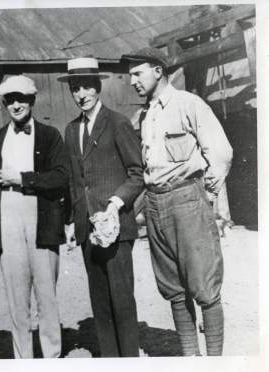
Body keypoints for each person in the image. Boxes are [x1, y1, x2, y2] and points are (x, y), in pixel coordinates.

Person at [121, 47, 233, 356]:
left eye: (137, 73)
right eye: (130, 75)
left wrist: (207, 196)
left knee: (204, 284)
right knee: (173, 287)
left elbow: (220, 153)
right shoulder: (145, 114)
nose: (132, 81)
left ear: (158, 70)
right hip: (156, 203)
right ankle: (190, 358)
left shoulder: (188, 104)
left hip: (186, 198)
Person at [59, 57, 144, 357]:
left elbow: (137, 173)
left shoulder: (118, 122)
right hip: (86, 229)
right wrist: (72, 220)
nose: (81, 94)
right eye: (75, 88)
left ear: (97, 87)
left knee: (121, 301)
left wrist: (115, 203)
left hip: (115, 228)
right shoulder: (71, 130)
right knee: (100, 304)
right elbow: (73, 180)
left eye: (86, 86)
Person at [0, 75, 68, 358]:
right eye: (10, 100)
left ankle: (52, 357)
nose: (16, 105)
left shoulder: (49, 135)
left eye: (21, 99)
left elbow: (60, 178)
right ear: (5, 104)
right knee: (17, 302)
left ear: (31, 100)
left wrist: (21, 179)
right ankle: (24, 360)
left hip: (41, 222)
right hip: (8, 222)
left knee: (47, 298)